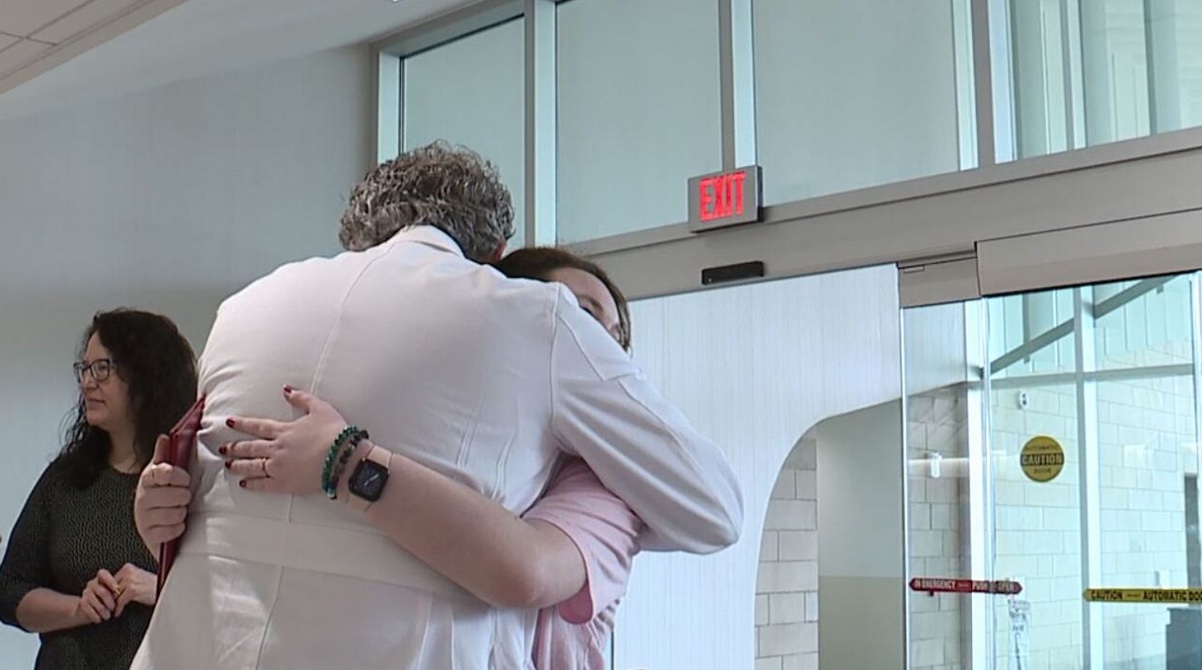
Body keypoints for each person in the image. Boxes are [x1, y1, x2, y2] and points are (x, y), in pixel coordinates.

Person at [132, 142, 742, 670]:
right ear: (499, 254)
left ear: (356, 235)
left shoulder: (244, 308)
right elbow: (713, 507)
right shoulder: (533, 318)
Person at [206, 247, 640, 670]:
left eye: (616, 334)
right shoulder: (455, 432)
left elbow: (529, 574)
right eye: (582, 316)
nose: (601, 345)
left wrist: (345, 462)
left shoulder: (602, 489)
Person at [0, 309, 198, 669]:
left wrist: (159, 590)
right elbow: (10, 592)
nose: (87, 382)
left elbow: (232, 601)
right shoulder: (65, 479)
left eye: (102, 369)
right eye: (85, 369)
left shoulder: (190, 483)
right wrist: (79, 608)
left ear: (145, 375)